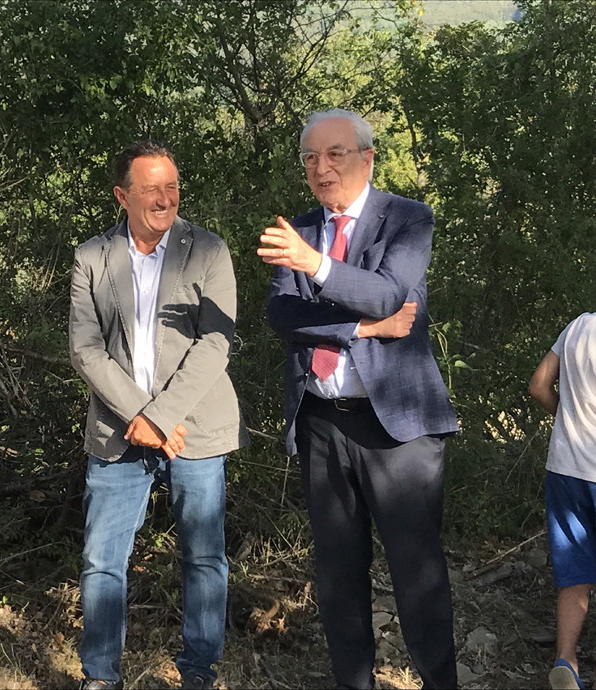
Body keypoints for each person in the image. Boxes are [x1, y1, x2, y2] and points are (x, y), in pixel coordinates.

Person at [258, 109, 460, 689]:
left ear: (366, 158)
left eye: (334, 154)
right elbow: (283, 314)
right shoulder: (298, 228)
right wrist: (361, 329)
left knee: (416, 574)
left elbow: (388, 292)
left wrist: (315, 266)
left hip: (397, 430)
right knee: (338, 576)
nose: (320, 169)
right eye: (310, 158)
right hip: (322, 421)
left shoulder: (407, 219)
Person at [69, 140, 248, 690]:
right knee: (103, 561)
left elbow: (216, 343)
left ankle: (198, 673)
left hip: (195, 430)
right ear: (123, 195)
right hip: (118, 434)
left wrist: (162, 416)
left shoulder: (209, 251)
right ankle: (100, 677)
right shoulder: (91, 257)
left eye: (171, 187)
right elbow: (85, 348)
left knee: (203, 559)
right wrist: (140, 417)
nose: (165, 198)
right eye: (151, 189)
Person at [530, 313, 596, 690]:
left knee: (575, 575)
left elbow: (539, 385)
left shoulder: (578, 326)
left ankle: (566, 661)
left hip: (566, 468)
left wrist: (568, 423)